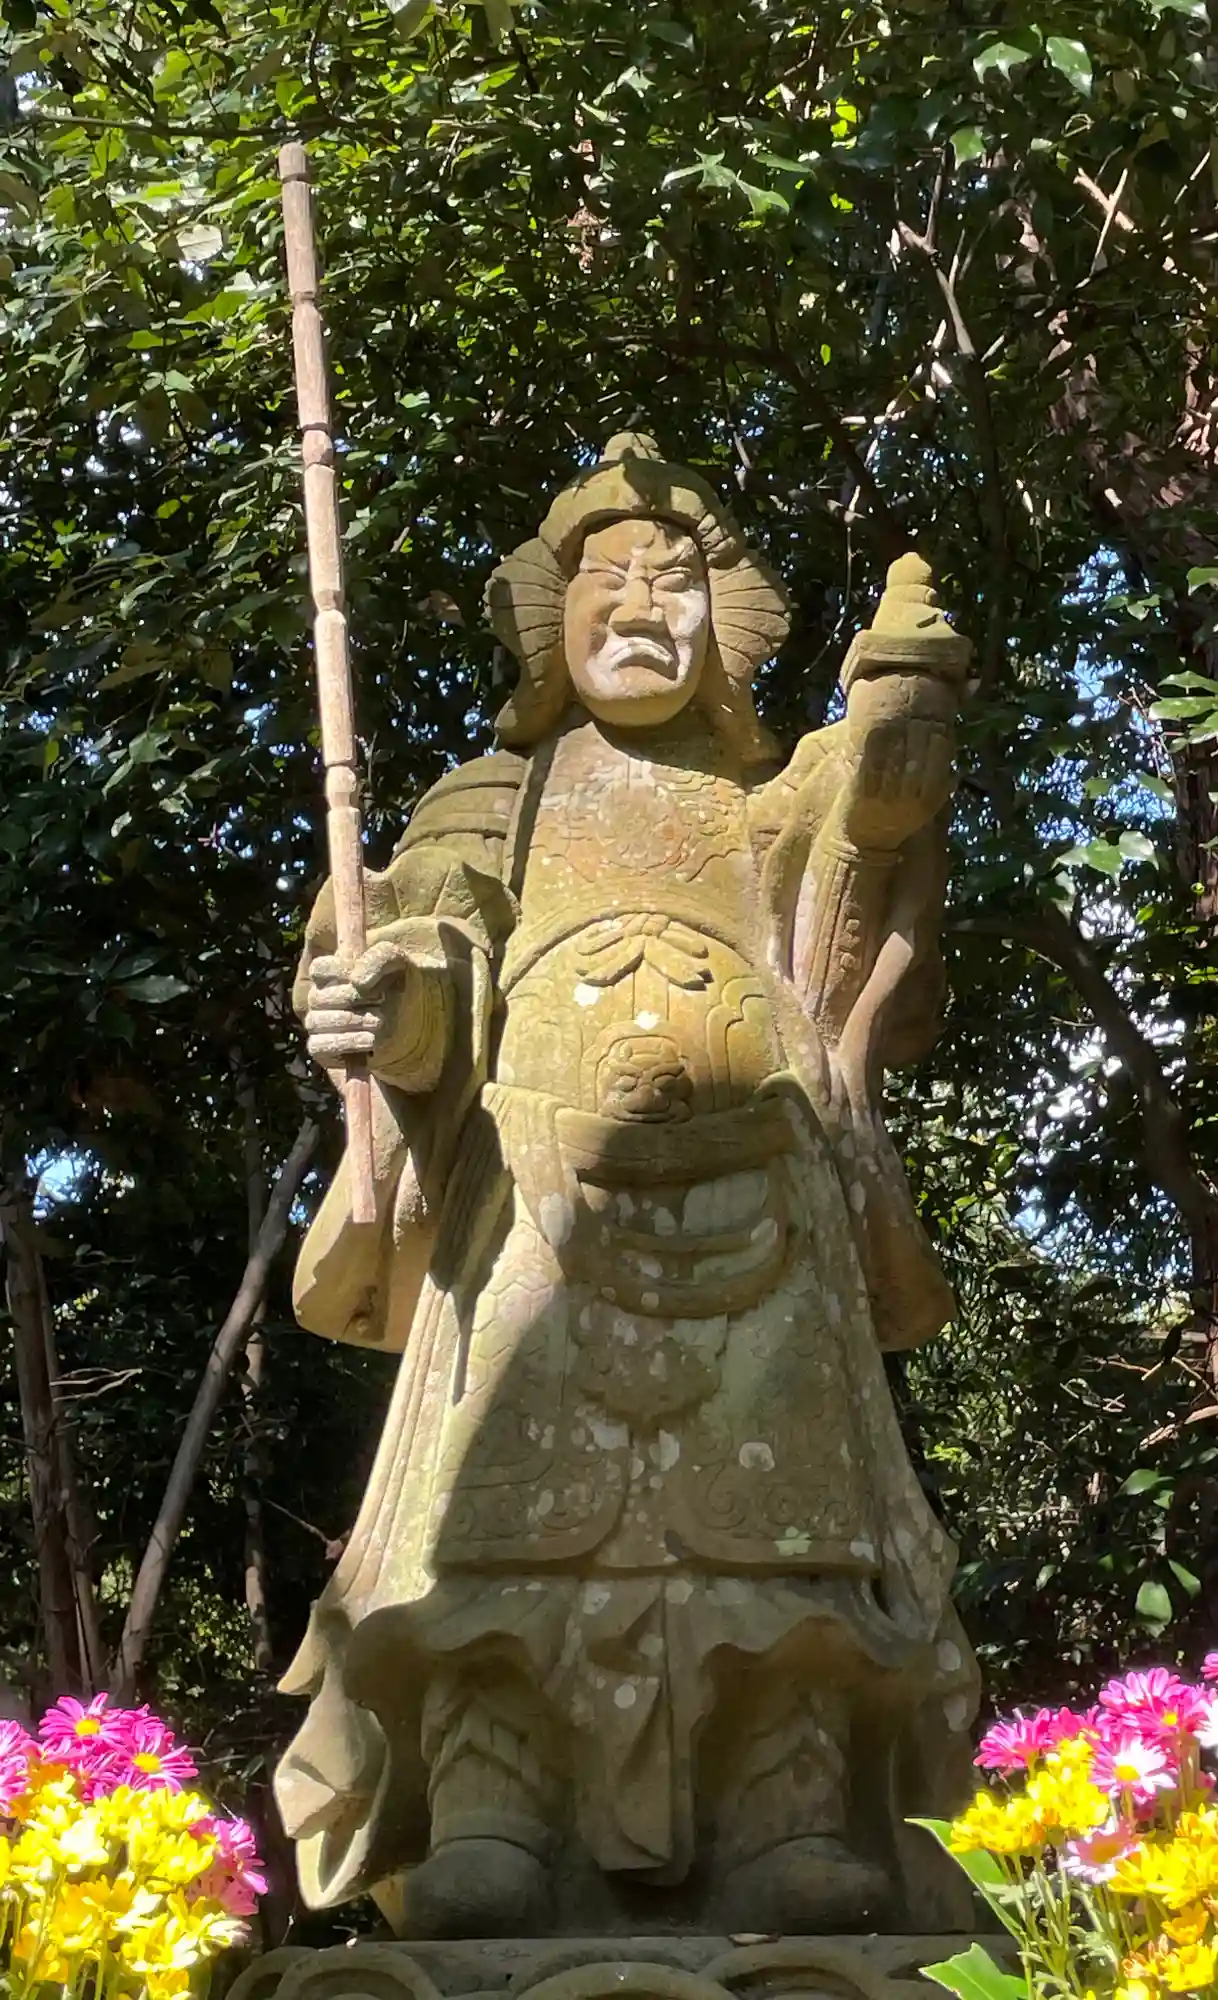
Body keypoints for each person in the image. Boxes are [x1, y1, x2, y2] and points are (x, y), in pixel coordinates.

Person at [274, 436, 978, 1938]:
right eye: (612, 579)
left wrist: (900, 710)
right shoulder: (494, 803)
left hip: (762, 1190)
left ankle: (787, 1816)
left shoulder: (763, 797)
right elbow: (433, 946)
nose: (645, 607)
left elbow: (863, 846)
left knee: (781, 1522)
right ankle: (494, 1815)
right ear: (552, 619)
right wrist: (390, 999)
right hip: (532, 1193)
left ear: (727, 624)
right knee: (500, 1518)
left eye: (677, 582)